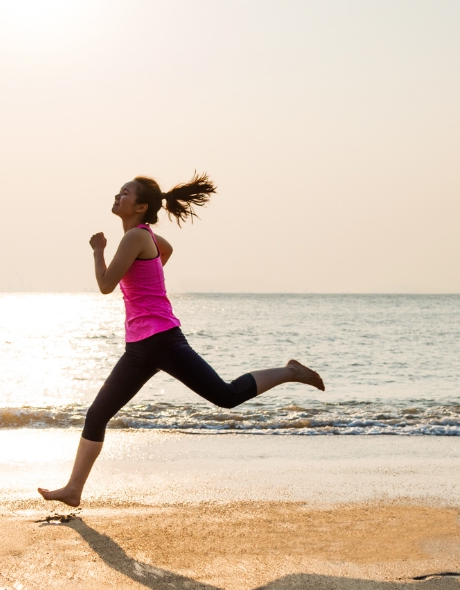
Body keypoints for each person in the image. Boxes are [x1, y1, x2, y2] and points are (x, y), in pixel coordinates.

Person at [38, 173, 325, 507]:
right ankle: (74, 489)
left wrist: (97, 251)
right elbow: (166, 251)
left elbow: (105, 285)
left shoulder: (133, 238)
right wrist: (144, 274)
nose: (118, 196)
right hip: (139, 347)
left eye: (125, 193)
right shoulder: (146, 238)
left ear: (141, 206)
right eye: (119, 192)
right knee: (97, 414)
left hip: (161, 340)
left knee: (226, 396)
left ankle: (290, 371)